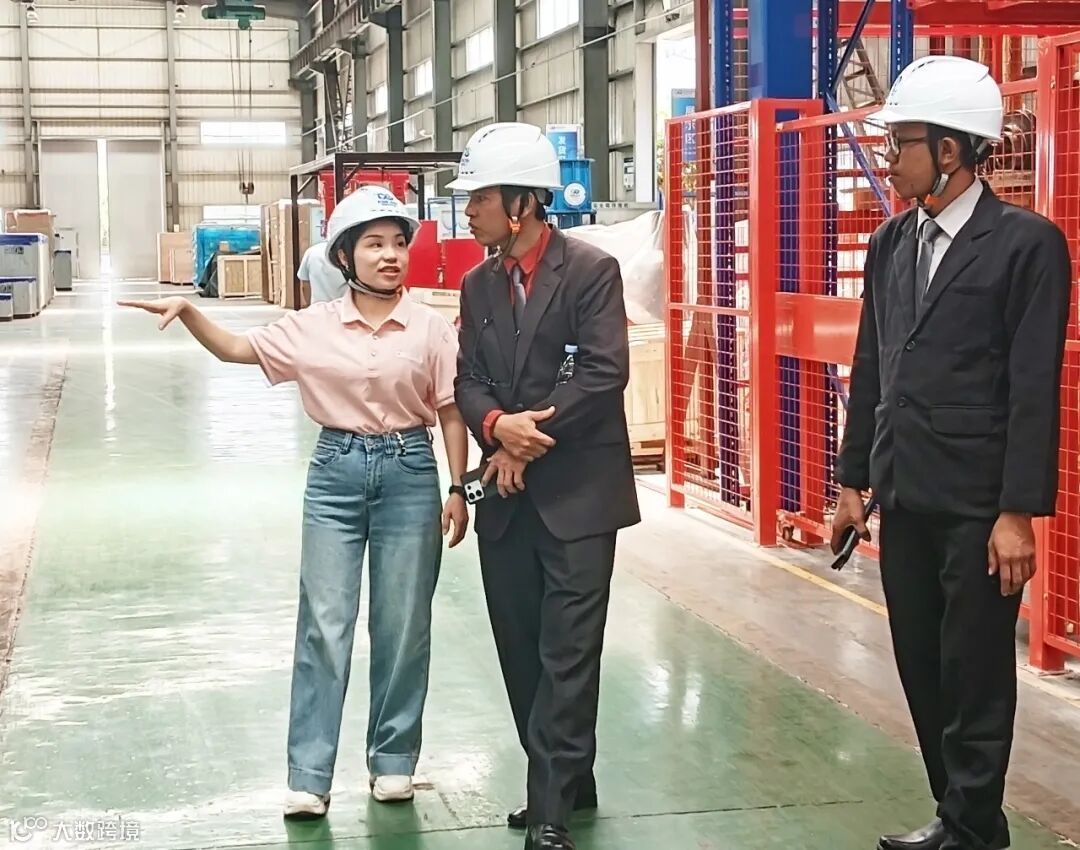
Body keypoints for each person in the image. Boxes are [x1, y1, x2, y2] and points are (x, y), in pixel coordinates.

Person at [120, 185, 470, 820]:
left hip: (410, 473)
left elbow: (449, 411)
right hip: (335, 474)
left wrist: (456, 487)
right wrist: (190, 311)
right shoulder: (312, 326)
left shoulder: (431, 327)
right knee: (324, 624)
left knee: (402, 624)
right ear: (345, 256)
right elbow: (237, 350)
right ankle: (310, 774)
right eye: (374, 244)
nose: (390, 255)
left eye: (398, 243)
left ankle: (393, 762)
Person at [830, 56, 1071, 850]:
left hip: (978, 506)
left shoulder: (1027, 246)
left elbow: (1034, 388)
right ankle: (962, 817)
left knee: (974, 673)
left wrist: (1017, 512)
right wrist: (853, 480)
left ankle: (970, 827)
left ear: (951, 150)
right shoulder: (892, 242)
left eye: (900, 143)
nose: (888, 158)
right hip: (903, 492)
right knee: (921, 666)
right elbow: (873, 364)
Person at [449, 122, 641, 850]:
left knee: (569, 653)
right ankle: (568, 775)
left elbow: (602, 372)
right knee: (521, 649)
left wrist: (526, 439)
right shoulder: (477, 285)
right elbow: (469, 379)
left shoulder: (591, 271)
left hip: (579, 498)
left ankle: (550, 807)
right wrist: (497, 426)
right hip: (505, 497)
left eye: (480, 198)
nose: (469, 211)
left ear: (522, 204)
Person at [298, 239, 347, 305]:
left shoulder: (311, 252)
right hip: (344, 307)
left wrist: (310, 306)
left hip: (317, 307)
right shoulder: (349, 252)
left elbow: (305, 285)